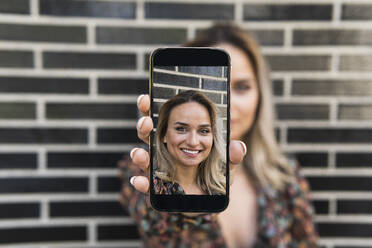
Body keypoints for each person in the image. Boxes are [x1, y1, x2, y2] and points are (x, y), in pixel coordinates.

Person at [119, 22, 318, 247]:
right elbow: (156, 231)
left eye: (242, 87)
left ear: (260, 96)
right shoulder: (142, 170)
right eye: (222, 86)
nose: (230, 103)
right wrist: (186, 206)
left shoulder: (285, 176)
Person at [153, 90, 226, 195]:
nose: (193, 142)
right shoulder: (150, 186)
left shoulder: (223, 187)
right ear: (164, 134)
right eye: (181, 129)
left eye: (204, 131)